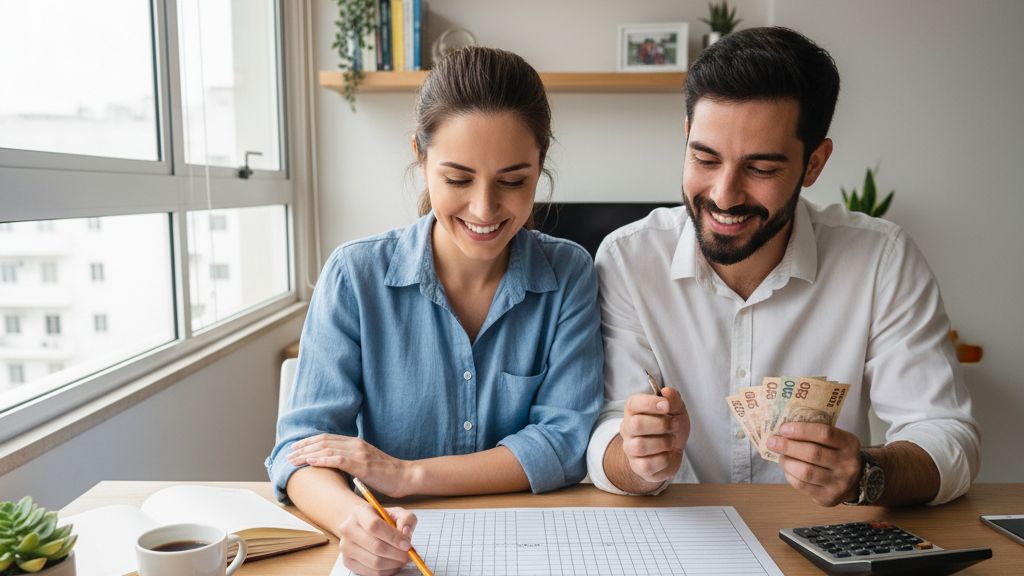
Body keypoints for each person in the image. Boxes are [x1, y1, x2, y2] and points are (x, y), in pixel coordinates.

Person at [586, 27, 980, 508]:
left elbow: (947, 435)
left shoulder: (882, 260)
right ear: (686, 137)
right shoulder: (627, 260)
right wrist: (639, 461)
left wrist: (867, 474)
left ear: (814, 164)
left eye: (762, 169)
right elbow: (606, 426)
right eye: (705, 158)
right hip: (682, 539)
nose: (724, 195)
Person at [267, 46, 603, 576]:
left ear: (541, 164)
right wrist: (355, 520)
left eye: (513, 180)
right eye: (458, 179)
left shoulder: (570, 274)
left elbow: (563, 444)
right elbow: (297, 452)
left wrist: (407, 476)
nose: (484, 209)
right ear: (421, 158)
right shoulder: (354, 276)